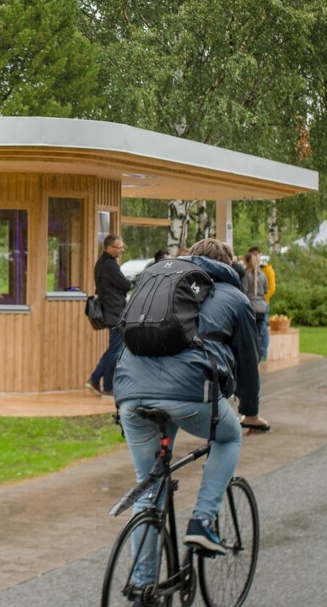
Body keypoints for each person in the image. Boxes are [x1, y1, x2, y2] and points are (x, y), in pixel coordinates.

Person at [113, 238, 267, 568]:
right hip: (191, 393)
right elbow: (249, 362)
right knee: (229, 437)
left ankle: (142, 586)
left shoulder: (159, 287)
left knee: (150, 487)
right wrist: (250, 411)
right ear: (228, 265)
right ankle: (203, 521)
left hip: (129, 391)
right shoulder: (235, 297)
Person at [87, 234, 131, 397]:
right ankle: (100, 382)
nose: (122, 250)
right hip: (115, 312)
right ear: (108, 248)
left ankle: (101, 383)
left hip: (109, 311)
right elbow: (125, 284)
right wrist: (132, 282)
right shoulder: (110, 265)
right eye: (119, 248)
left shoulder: (101, 263)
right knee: (115, 350)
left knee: (114, 348)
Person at [241, 251, 269, 361]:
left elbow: (244, 291)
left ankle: (250, 357)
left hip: (251, 306)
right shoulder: (263, 275)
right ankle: (258, 355)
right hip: (261, 307)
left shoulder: (246, 274)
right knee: (258, 333)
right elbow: (266, 290)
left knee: (250, 334)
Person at [251, 246, 275, 359]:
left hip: (263, 303)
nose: (255, 257)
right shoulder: (250, 269)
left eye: (256, 254)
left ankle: (263, 352)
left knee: (263, 328)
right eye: (252, 255)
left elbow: (271, 288)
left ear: (260, 255)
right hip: (253, 303)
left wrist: (263, 299)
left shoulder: (267, 269)